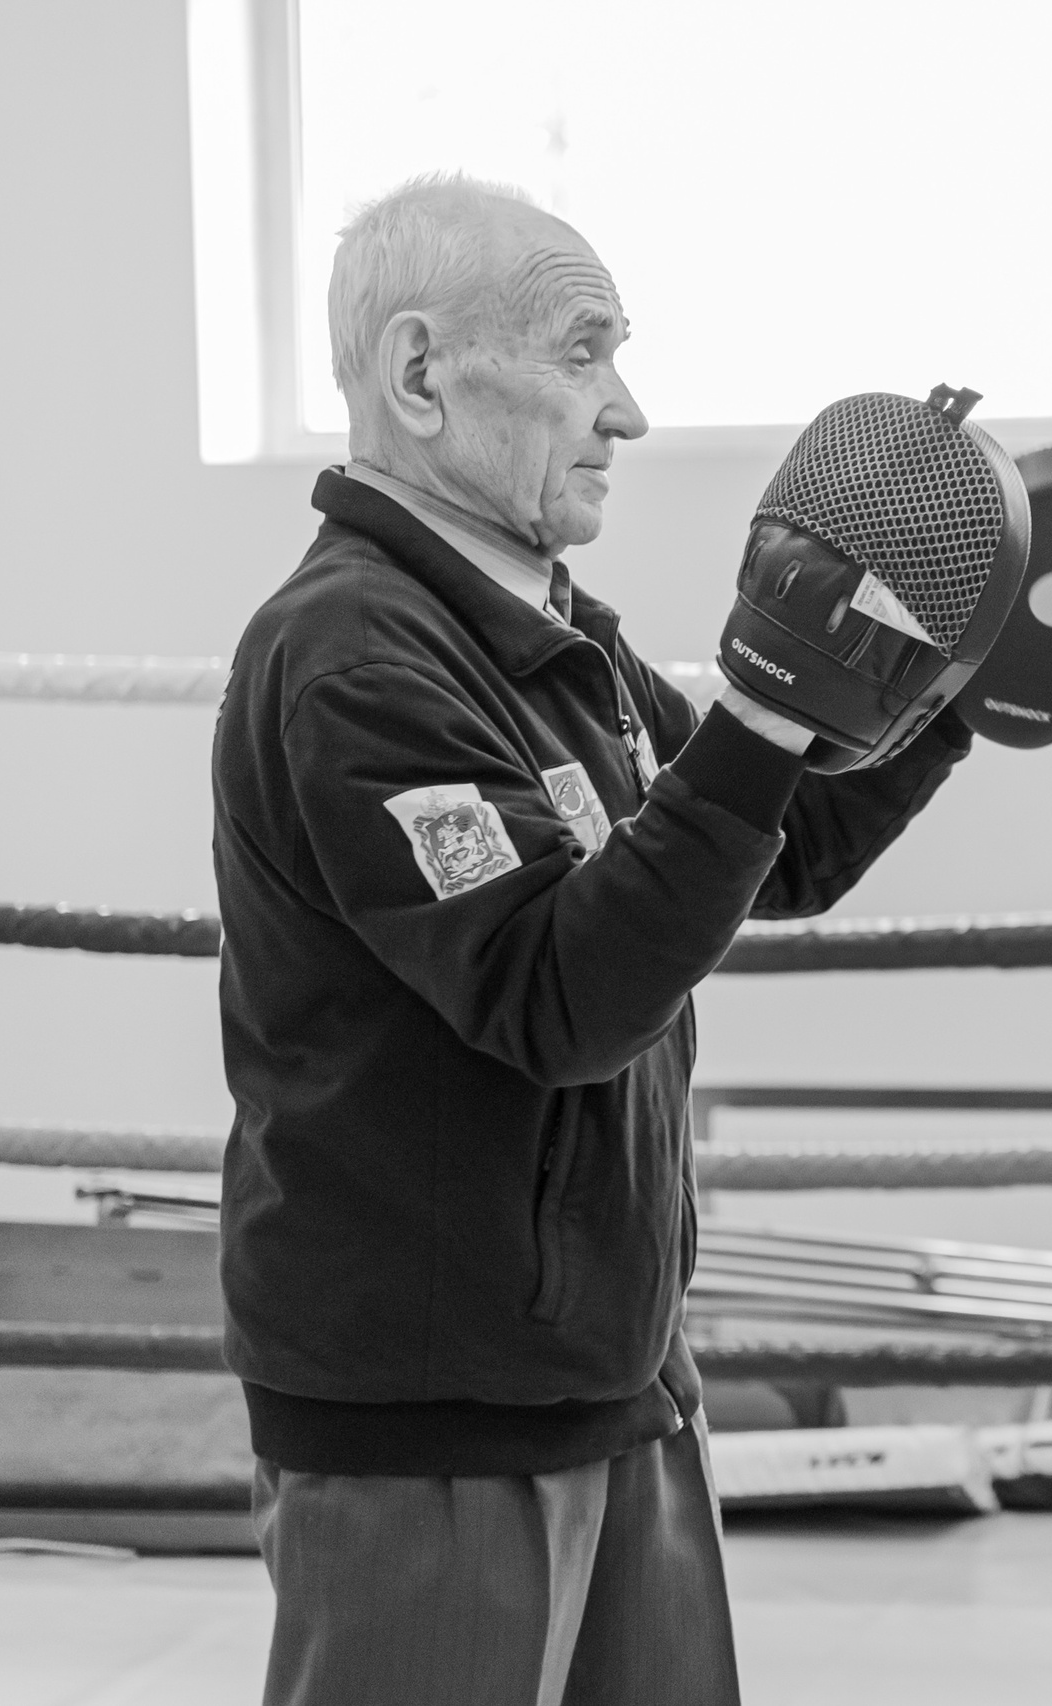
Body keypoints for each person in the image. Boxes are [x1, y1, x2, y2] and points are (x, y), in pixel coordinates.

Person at [211, 174, 976, 1706]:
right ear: (423, 374)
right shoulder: (354, 656)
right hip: (435, 1412)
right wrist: (768, 706)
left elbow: (782, 841)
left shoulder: (558, 633)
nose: (624, 410)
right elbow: (555, 992)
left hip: (610, 1373)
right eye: (581, 353)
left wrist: (961, 685)